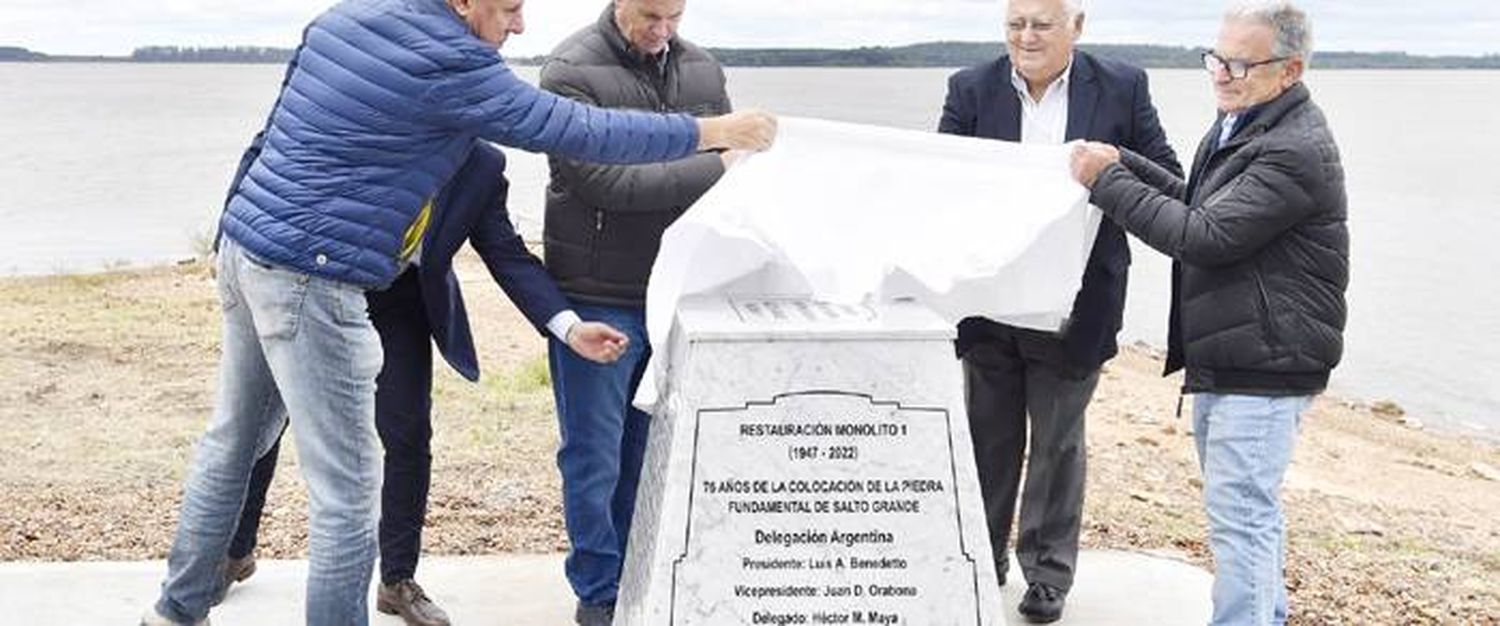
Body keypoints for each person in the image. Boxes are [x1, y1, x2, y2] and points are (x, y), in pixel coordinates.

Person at [141, 0, 776, 623]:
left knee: (231, 444)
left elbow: (271, 133)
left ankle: (175, 610)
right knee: (349, 492)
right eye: (507, 9)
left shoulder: (344, 17)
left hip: (250, 248)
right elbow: (578, 130)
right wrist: (710, 132)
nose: (521, 24)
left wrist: (232, 228)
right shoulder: (453, 60)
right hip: (315, 275)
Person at [218, 140, 625, 626]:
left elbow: (506, 253)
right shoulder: (371, 112)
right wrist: (230, 241)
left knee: (408, 434)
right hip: (319, 286)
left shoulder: (481, 164)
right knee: (268, 418)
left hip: (400, 299)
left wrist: (568, 326)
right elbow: (266, 150)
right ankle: (233, 551)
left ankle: (397, 580)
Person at [1069, 2, 1346, 624]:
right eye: (1216, 58)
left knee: (1241, 518)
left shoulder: (1292, 149)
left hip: (1268, 361)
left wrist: (1103, 183)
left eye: (1241, 64)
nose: (1221, 73)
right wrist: (1123, 163)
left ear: (1291, 69)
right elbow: (1196, 203)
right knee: (1248, 512)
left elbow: (1204, 236)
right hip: (1233, 356)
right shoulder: (1241, 124)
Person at [937, 0, 1180, 622]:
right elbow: (937, 183)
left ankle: (1046, 576)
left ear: (1078, 25)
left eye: (1042, 24)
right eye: (1015, 24)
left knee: (1057, 444)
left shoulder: (1123, 86)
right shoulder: (969, 88)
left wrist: (1109, 170)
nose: (1026, 36)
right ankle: (980, 555)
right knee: (986, 437)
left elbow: (1167, 178)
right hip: (990, 302)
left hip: (1079, 302)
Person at [536, 1, 734, 623]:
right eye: (650, 15)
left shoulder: (703, 69)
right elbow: (607, 184)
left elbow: (739, 176)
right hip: (594, 294)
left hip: (673, 293)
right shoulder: (569, 70)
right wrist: (715, 161)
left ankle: (639, 577)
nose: (662, 30)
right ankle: (598, 591)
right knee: (594, 455)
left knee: (651, 453)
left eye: (674, 15)